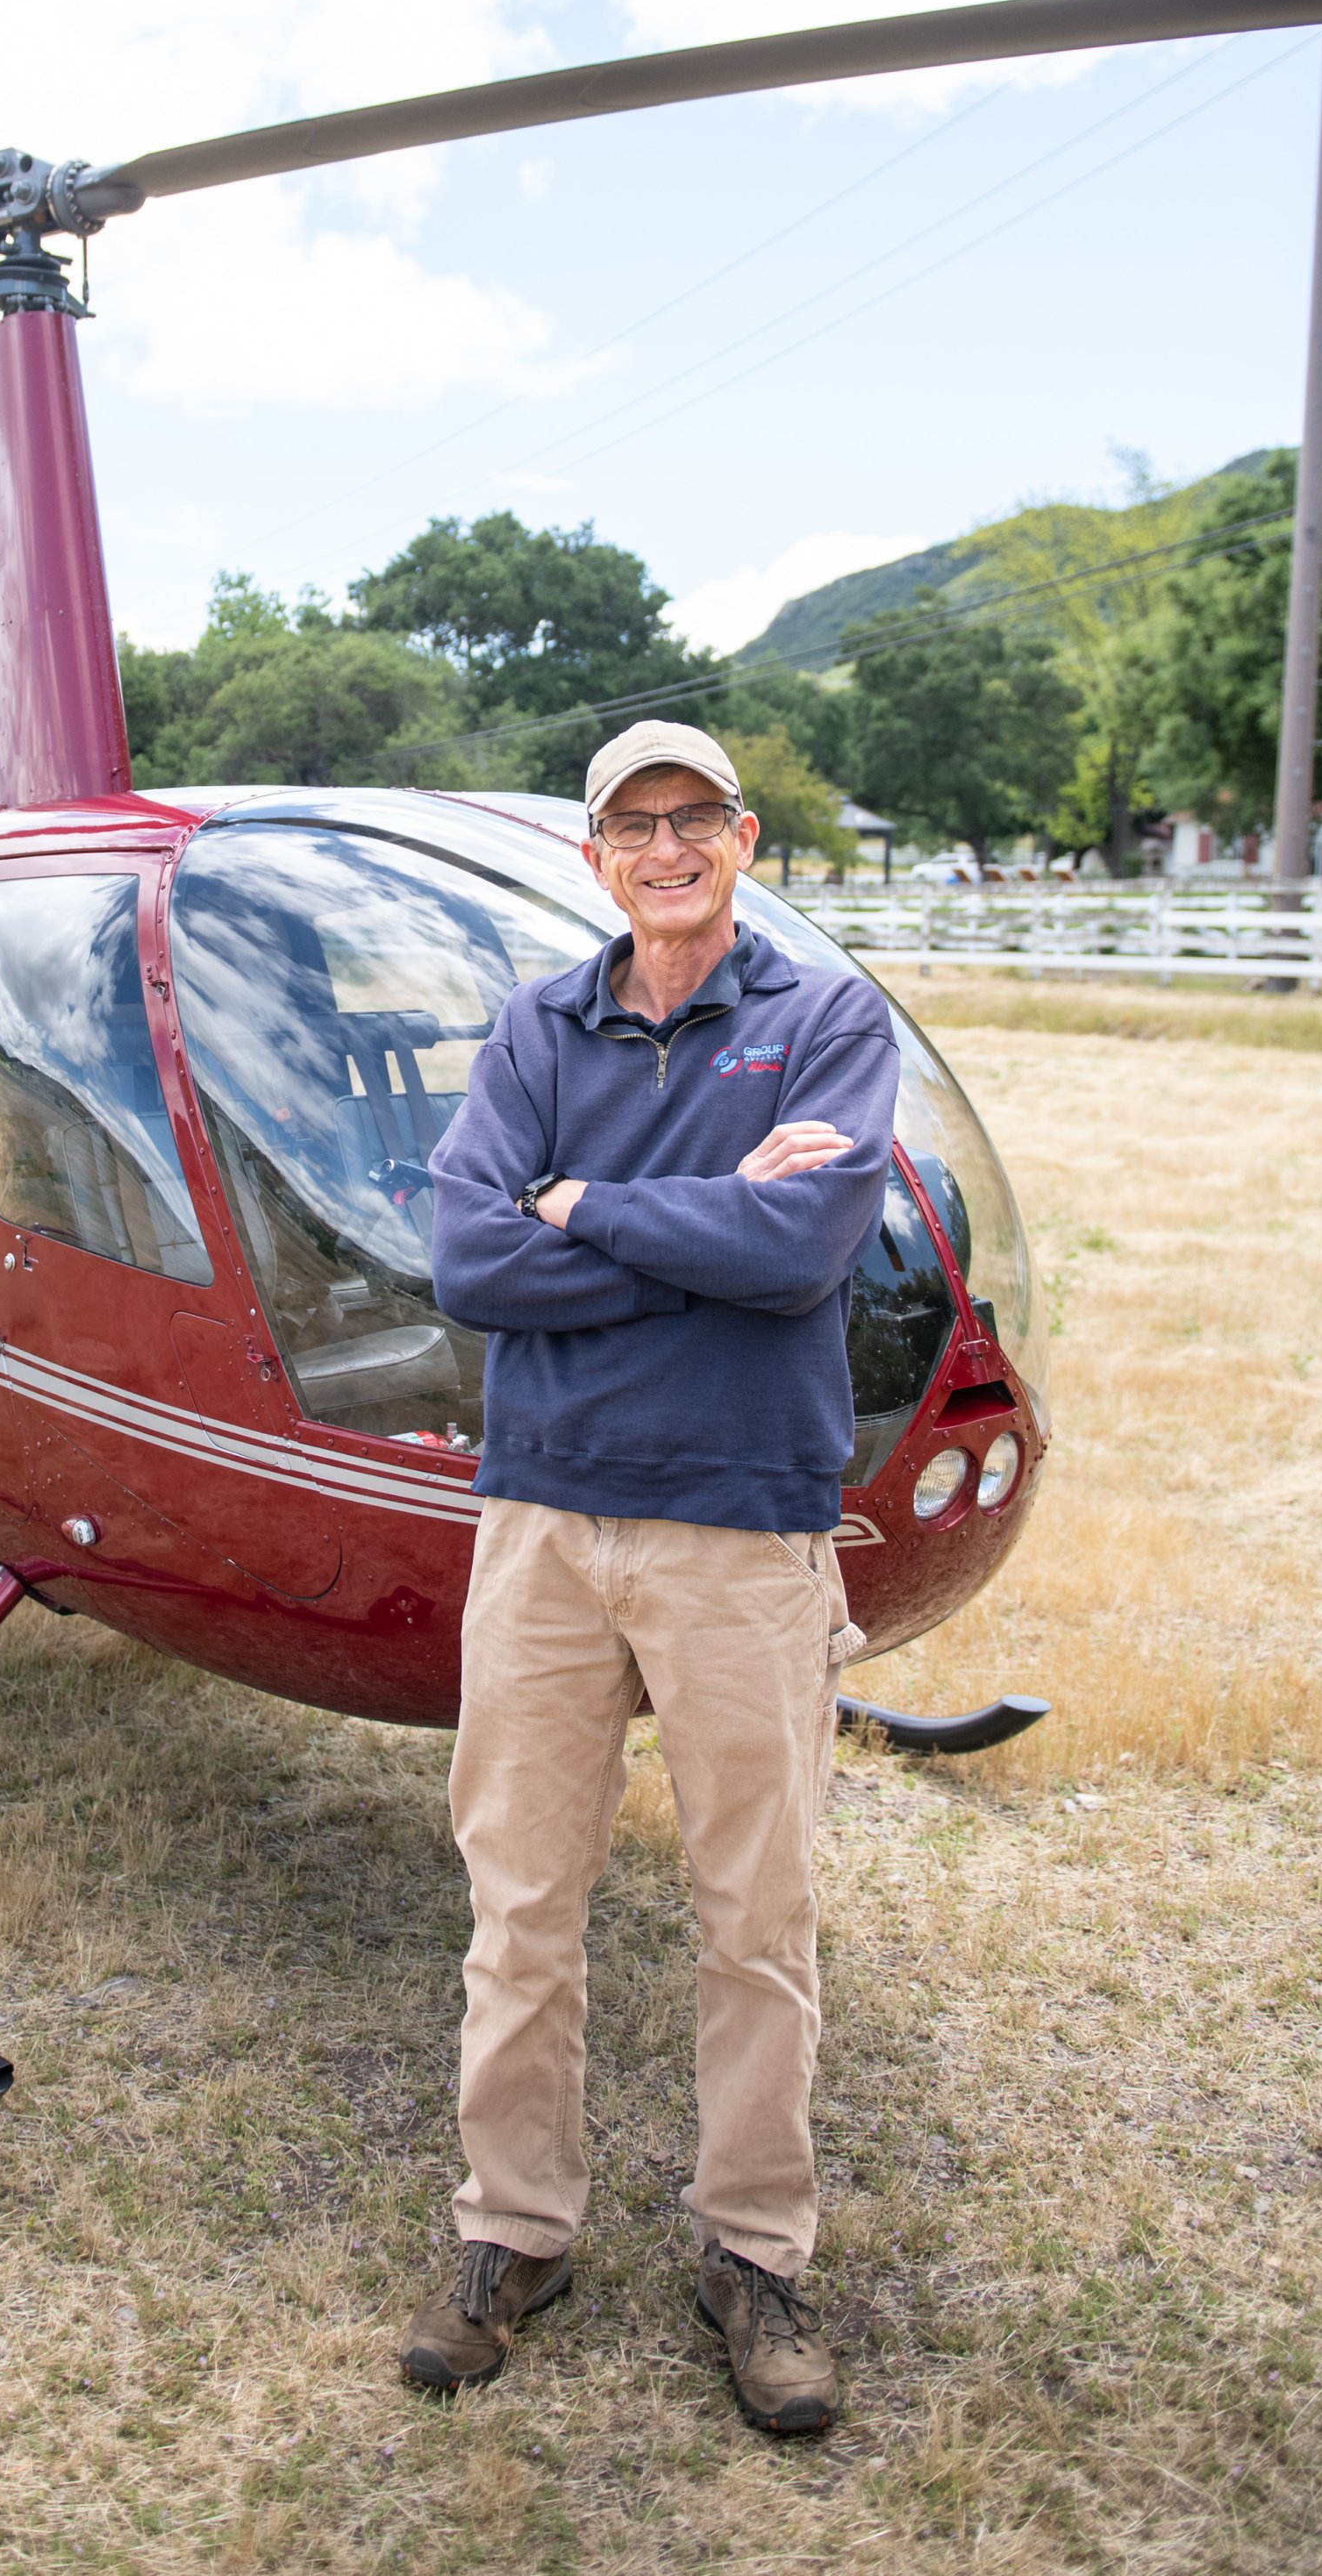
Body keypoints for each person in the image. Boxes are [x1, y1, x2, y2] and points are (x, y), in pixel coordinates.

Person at [399, 718, 898, 2434]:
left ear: (741, 839)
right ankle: (510, 2230)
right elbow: (468, 1257)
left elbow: (802, 1249)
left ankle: (751, 2252)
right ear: (591, 850)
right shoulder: (535, 1025)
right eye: (635, 823)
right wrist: (685, 1218)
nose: (666, 845)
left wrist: (578, 1203)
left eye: (695, 819)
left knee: (751, 1919)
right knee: (518, 1904)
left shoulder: (821, 1020)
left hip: (742, 1529)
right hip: (542, 1523)